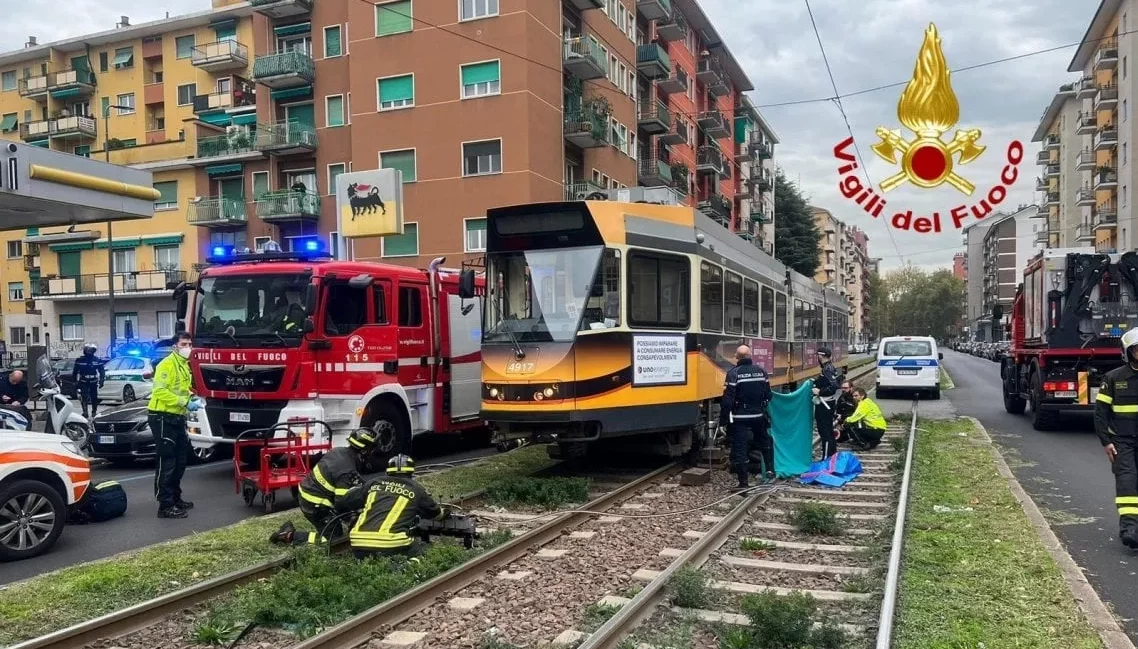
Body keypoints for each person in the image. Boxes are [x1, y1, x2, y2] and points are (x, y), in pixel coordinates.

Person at [269, 428, 382, 546]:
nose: (372, 453)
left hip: (310, 494)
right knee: (334, 540)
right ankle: (289, 536)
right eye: (372, 449)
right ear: (364, 451)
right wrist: (358, 516)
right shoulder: (346, 471)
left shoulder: (339, 451)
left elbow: (354, 483)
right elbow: (343, 503)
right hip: (316, 505)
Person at [335, 454, 447, 559]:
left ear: (388, 472)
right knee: (425, 549)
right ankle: (408, 568)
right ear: (411, 473)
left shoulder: (374, 483)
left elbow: (346, 501)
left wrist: (355, 490)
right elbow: (435, 514)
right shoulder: (416, 488)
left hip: (358, 543)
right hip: (392, 543)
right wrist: (445, 513)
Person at [148, 333, 200, 519]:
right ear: (175, 347)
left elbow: (182, 388)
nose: (188, 347)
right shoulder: (167, 364)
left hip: (177, 417)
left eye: (190, 344)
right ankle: (165, 505)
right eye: (184, 344)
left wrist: (192, 397)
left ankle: (176, 498)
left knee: (180, 461)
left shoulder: (183, 365)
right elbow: (160, 391)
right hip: (162, 417)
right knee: (167, 461)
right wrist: (184, 402)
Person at [1094, 328, 1138, 550]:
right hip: (1123, 441)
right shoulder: (1114, 378)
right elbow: (1100, 413)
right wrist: (1106, 442)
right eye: (1137, 349)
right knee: (1127, 483)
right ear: (1129, 352)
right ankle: (1130, 529)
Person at [719, 345, 772, 489]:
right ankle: (770, 470)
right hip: (758, 415)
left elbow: (727, 400)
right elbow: (768, 394)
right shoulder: (761, 371)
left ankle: (743, 483)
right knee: (764, 442)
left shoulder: (733, 373)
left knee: (740, 448)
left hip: (740, 418)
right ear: (750, 356)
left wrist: (723, 421)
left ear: (737, 357)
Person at [811, 348, 841, 459]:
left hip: (825, 404)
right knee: (828, 431)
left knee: (825, 432)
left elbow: (834, 386)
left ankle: (826, 458)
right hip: (828, 403)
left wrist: (820, 391)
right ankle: (832, 456)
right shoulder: (829, 367)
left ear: (820, 356)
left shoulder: (827, 369)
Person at [71, 344, 106, 418]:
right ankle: (85, 412)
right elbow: (75, 372)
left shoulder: (97, 360)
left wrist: (102, 381)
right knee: (84, 397)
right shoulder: (80, 360)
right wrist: (74, 381)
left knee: (94, 397)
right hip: (83, 381)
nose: (90, 352)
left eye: (91, 350)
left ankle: (94, 412)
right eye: (88, 350)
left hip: (93, 381)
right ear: (85, 351)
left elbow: (102, 371)